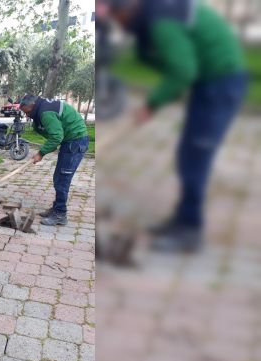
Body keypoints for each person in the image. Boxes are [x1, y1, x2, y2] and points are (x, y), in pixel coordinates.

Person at [101, 0, 248, 252]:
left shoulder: (161, 20)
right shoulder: (153, 17)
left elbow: (182, 69)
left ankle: (190, 231)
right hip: (208, 81)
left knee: (196, 156)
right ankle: (183, 219)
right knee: (187, 154)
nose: (119, 25)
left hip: (221, 82)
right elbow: (173, 64)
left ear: (127, 10)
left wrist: (152, 103)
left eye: (117, 18)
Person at [20, 95, 89, 226]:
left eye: (27, 112)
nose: (27, 115)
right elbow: (54, 134)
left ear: (33, 105)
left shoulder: (45, 113)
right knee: (58, 177)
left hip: (75, 142)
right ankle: (57, 208)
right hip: (70, 141)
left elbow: (57, 137)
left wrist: (41, 153)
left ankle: (60, 214)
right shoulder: (42, 108)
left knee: (63, 179)